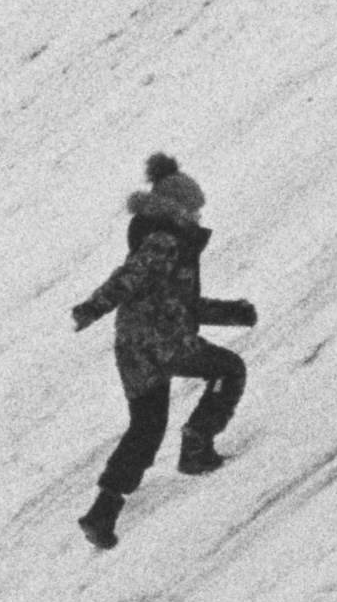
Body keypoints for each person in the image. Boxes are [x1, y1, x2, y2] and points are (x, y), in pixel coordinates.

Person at [70, 155, 258, 549]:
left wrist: (231, 312)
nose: (199, 215)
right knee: (228, 370)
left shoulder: (165, 240)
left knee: (146, 427)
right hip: (163, 342)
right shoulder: (167, 241)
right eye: (194, 208)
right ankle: (197, 445)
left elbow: (177, 303)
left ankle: (102, 512)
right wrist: (92, 307)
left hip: (134, 348)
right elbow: (129, 279)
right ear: (178, 208)